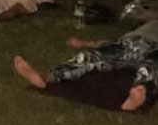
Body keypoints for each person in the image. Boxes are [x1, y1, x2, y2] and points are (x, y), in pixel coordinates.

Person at [12, 19, 158, 111]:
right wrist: (83, 43)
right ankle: (44, 76)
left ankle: (136, 96)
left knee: (151, 65)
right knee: (91, 57)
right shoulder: (151, 23)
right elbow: (109, 43)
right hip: (131, 43)